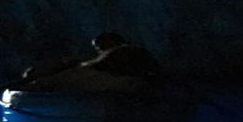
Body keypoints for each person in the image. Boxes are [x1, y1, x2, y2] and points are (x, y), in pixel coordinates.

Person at [20, 33, 164, 94]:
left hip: (126, 84)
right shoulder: (137, 51)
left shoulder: (120, 51)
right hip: (139, 85)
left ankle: (34, 84)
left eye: (99, 47)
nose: (98, 50)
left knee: (73, 74)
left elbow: (94, 66)